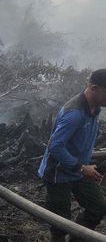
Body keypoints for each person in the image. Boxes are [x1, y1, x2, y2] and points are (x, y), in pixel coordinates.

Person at [38, 69, 106, 242]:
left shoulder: (95, 107)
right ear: (94, 88)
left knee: (98, 207)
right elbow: (55, 146)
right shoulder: (74, 113)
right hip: (58, 172)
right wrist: (82, 168)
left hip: (80, 169)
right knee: (60, 223)